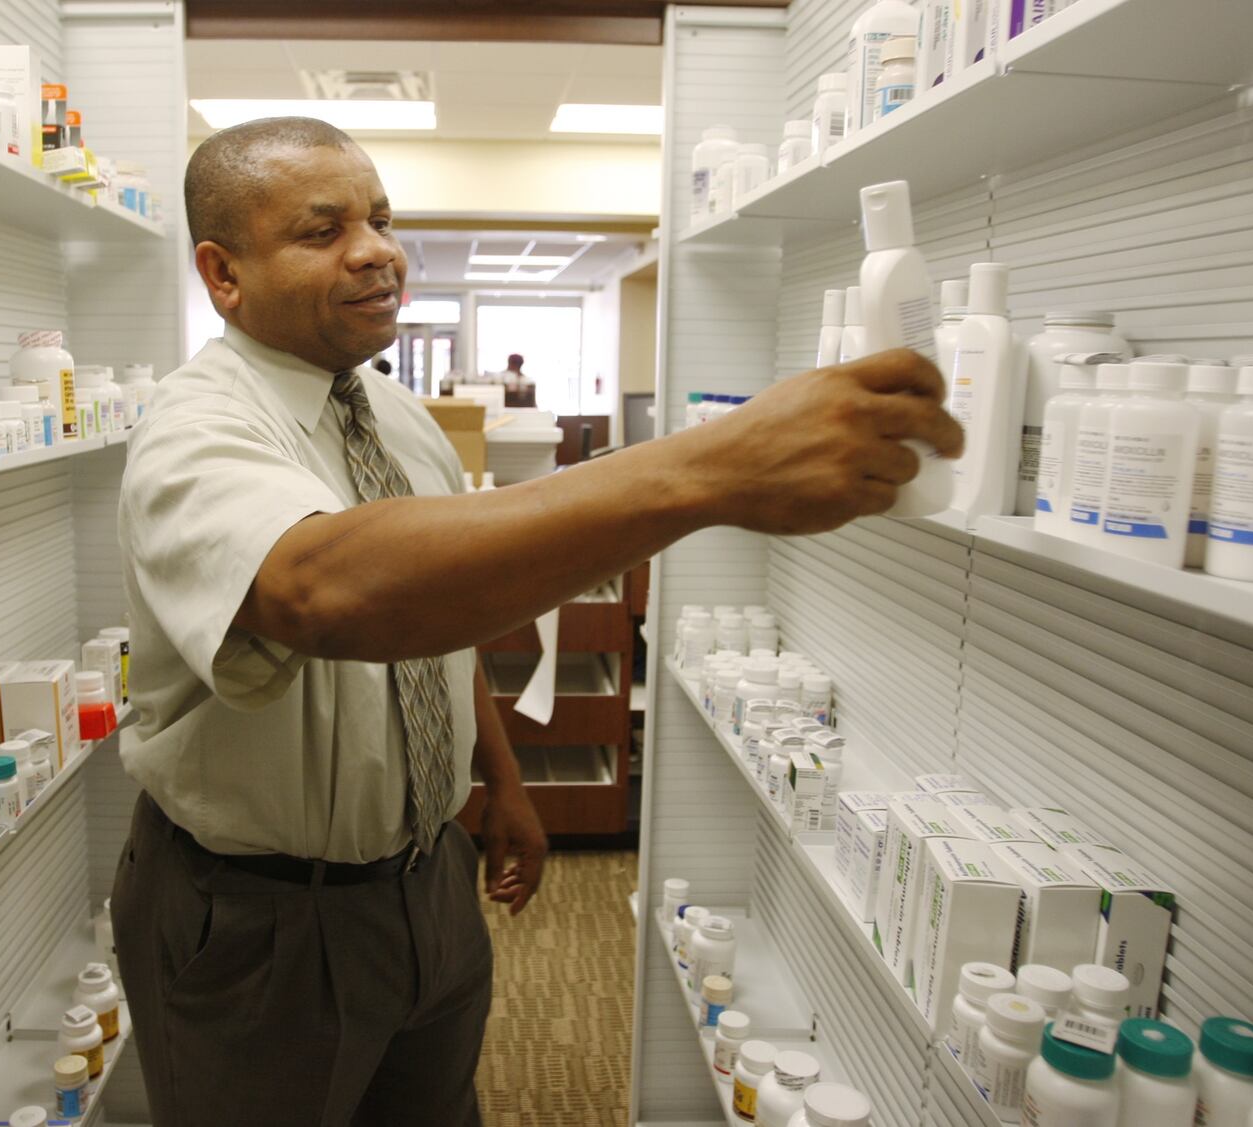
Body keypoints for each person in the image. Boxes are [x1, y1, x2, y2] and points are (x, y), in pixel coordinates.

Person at [113, 117, 960, 1127]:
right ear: (223, 273)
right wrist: (703, 468)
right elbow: (324, 591)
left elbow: (440, 613)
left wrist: (499, 779)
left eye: (381, 219)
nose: (378, 249)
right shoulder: (193, 424)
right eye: (322, 229)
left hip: (428, 878)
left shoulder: (398, 419)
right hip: (259, 916)